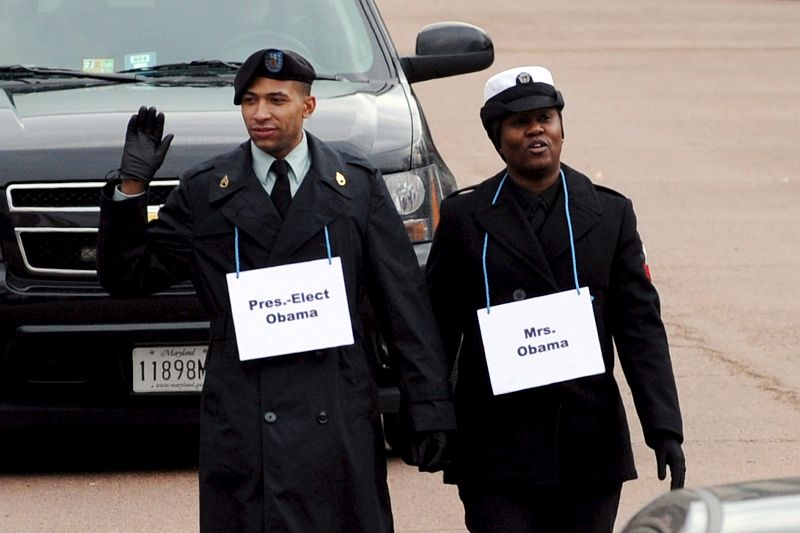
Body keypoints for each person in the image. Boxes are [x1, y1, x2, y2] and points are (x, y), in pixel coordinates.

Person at [96, 48, 455, 533]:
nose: (260, 114)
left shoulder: (356, 185)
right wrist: (131, 190)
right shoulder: (207, 191)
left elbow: (404, 304)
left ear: (307, 107)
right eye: (249, 101)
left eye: (276, 100)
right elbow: (129, 277)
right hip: (245, 413)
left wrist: (428, 406)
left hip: (337, 405)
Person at [425, 65, 686, 533]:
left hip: (587, 445)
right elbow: (436, 331)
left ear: (562, 127)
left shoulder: (609, 213)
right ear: (496, 137)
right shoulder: (466, 218)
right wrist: (429, 418)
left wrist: (664, 428)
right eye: (519, 122)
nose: (535, 130)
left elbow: (640, 329)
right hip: (495, 449)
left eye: (545, 117)